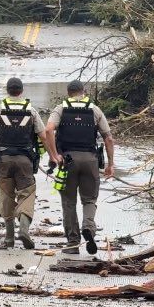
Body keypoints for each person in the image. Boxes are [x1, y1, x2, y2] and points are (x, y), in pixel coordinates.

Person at [0, 77, 56, 249]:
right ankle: (24, 229)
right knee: (27, 194)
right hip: (25, 160)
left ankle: (9, 238)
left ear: (7, 91)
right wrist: (52, 156)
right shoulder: (31, 111)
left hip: (3, 161)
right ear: (21, 91)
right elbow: (43, 136)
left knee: (6, 196)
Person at [46, 79, 115, 254]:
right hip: (90, 160)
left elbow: (48, 129)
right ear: (83, 92)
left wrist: (54, 155)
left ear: (68, 93)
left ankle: (73, 243)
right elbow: (108, 138)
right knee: (89, 200)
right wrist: (110, 164)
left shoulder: (60, 109)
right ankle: (88, 227)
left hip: (67, 162)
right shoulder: (95, 110)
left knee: (68, 202)